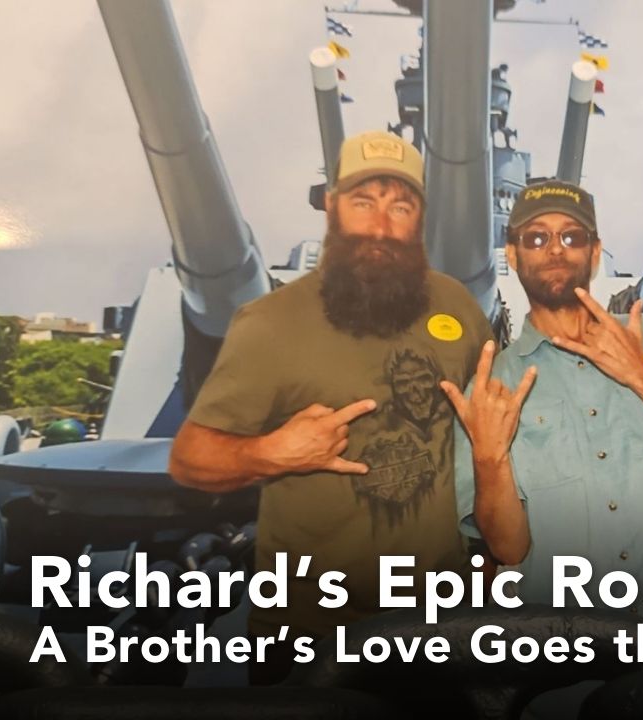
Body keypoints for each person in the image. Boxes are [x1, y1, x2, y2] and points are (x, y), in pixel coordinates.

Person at [169, 130, 494, 682]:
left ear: (419, 218)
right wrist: (272, 452)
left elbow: (490, 428)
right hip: (308, 633)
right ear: (332, 207)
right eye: (363, 203)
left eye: (401, 205)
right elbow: (189, 459)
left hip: (440, 629)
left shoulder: (457, 307)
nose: (382, 225)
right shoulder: (269, 323)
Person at [443, 179, 643, 657]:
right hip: (573, 661)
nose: (555, 249)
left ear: (594, 253)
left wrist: (641, 375)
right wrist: (489, 459)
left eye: (572, 236)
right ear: (511, 254)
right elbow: (507, 549)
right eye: (536, 237)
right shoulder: (492, 386)